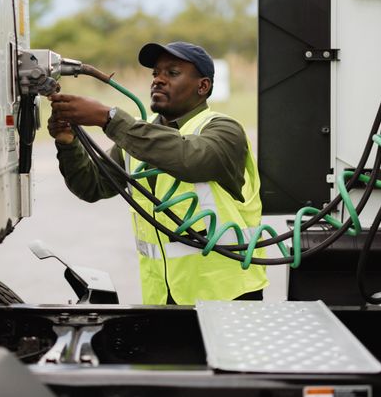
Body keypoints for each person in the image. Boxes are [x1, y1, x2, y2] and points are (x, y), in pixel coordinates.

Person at [48, 41, 268, 305]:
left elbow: (190, 158)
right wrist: (68, 142)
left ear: (203, 86)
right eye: (155, 74)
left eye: (172, 73)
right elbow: (91, 186)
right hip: (165, 298)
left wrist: (109, 118)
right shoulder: (137, 139)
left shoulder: (224, 130)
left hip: (228, 294)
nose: (158, 81)